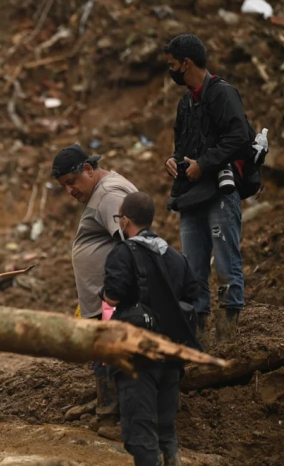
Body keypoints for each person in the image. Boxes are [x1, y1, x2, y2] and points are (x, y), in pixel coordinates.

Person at [101, 192, 200, 466]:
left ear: (125, 220)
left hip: (138, 356)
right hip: (172, 354)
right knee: (166, 429)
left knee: (140, 432)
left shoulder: (122, 253)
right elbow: (195, 295)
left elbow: (113, 296)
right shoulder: (176, 256)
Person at [163, 34, 249, 341]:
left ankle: (229, 336)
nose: (170, 70)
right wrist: (174, 161)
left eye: (172, 65)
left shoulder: (223, 94)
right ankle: (197, 339)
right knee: (192, 269)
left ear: (186, 64)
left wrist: (205, 164)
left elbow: (239, 137)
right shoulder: (186, 103)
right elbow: (180, 146)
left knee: (226, 261)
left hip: (220, 192)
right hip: (191, 195)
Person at [51, 144, 137, 430]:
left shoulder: (109, 195)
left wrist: (116, 292)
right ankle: (105, 405)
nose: (69, 191)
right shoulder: (104, 190)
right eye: (64, 186)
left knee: (108, 350)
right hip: (105, 296)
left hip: (111, 298)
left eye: (71, 183)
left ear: (88, 169)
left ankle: (110, 418)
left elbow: (132, 240)